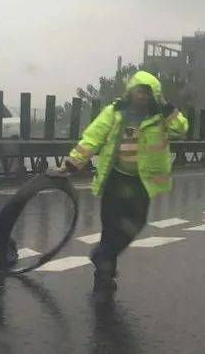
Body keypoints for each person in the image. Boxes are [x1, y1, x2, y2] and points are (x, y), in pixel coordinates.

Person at [61, 70, 188, 292]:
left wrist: (167, 107)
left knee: (134, 225)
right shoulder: (114, 113)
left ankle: (102, 255)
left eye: (149, 94)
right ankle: (104, 272)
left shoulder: (161, 118)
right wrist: (73, 163)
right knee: (110, 228)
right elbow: (93, 138)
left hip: (141, 182)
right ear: (131, 91)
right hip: (115, 178)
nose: (143, 97)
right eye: (140, 92)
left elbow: (182, 130)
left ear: (155, 96)